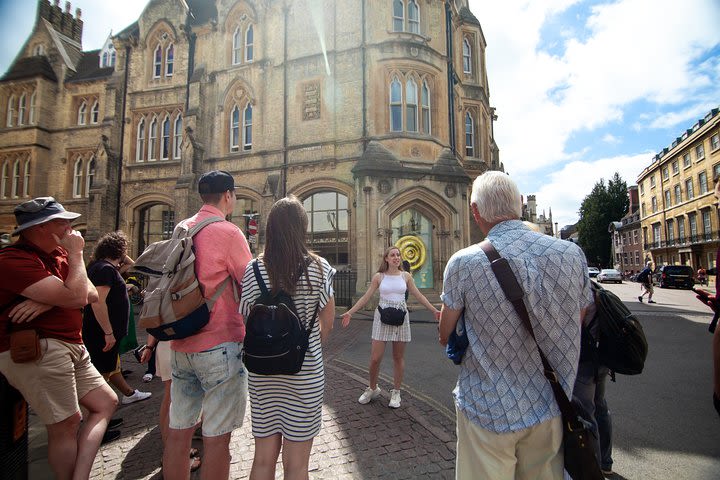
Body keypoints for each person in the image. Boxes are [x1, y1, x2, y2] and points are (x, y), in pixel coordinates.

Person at [438, 172, 594, 479]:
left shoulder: (463, 262)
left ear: (475, 211)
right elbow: (575, 320)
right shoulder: (571, 255)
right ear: (520, 204)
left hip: (487, 411)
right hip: (550, 405)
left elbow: (445, 334)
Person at [0, 196, 117, 479]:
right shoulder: (12, 259)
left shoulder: (60, 255)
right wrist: (76, 258)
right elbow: (78, 293)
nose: (70, 227)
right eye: (62, 221)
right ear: (40, 227)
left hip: (72, 345)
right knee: (66, 423)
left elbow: (88, 295)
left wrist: (50, 299)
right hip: (40, 347)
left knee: (106, 402)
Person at [162, 170, 252, 479]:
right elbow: (250, 286)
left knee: (178, 432)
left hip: (181, 343)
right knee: (216, 439)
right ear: (228, 196)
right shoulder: (229, 233)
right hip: (220, 345)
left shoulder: (181, 228)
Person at [239, 195, 336, 479]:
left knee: (261, 460)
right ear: (302, 227)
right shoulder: (319, 268)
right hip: (304, 374)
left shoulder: (253, 269)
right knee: (297, 466)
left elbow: (246, 316)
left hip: (262, 374)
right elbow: (327, 324)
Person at [342, 245, 440, 409]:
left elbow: (418, 295)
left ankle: (396, 392)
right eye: (392, 255)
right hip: (382, 317)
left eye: (398, 255)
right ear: (386, 259)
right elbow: (366, 297)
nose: (396, 257)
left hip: (401, 317)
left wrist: (434, 310)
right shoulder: (379, 277)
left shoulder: (406, 276)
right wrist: (350, 312)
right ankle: (372, 388)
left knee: (398, 357)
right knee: (375, 359)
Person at [83, 231, 152, 407]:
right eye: (124, 249)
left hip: (105, 330)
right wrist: (108, 332)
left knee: (111, 367)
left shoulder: (102, 267)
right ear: (118, 250)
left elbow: (133, 265)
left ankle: (129, 393)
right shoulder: (104, 270)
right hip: (102, 332)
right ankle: (95, 412)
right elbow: (98, 302)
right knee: (101, 372)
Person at [572, 289, 614, 476]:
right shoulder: (598, 291)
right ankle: (606, 461)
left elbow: (574, 329)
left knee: (586, 414)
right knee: (600, 407)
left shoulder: (581, 294)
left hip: (586, 362)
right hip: (602, 358)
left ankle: (593, 469)